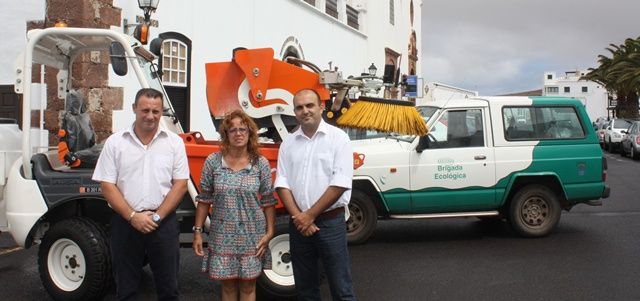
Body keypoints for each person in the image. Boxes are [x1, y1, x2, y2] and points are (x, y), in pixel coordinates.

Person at [92, 88, 189, 301]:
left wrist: (156, 217)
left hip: (162, 224)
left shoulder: (174, 143)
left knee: (169, 290)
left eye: (156, 111)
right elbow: (107, 186)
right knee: (126, 290)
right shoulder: (116, 143)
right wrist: (133, 217)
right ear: (134, 109)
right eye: (145, 110)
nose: (151, 116)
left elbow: (180, 184)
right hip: (125, 224)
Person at [275, 89, 357, 300]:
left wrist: (309, 215)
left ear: (321, 107)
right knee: (305, 288)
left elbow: (340, 183)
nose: (305, 111)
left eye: (310, 105)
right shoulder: (288, 143)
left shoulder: (339, 139)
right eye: (300, 107)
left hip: (330, 223)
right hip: (299, 224)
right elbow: (282, 182)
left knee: (341, 287)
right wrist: (299, 217)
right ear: (294, 112)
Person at [192, 109, 276, 301]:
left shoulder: (260, 163)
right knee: (228, 285)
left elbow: (268, 201)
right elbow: (204, 199)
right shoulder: (213, 162)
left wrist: (269, 233)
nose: (238, 134)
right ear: (226, 135)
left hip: (252, 234)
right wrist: (197, 231)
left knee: (248, 286)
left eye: (243, 129)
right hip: (222, 234)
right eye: (233, 130)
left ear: (250, 134)